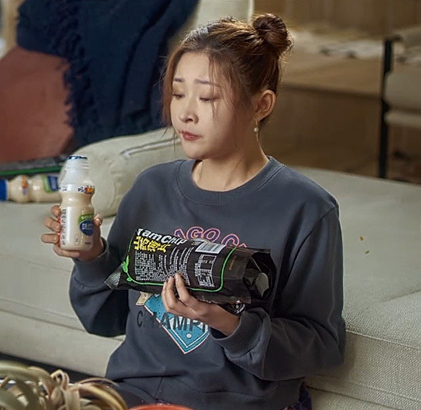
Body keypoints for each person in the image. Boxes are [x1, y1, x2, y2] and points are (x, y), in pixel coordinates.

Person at [41, 13, 345, 410]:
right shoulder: (151, 189)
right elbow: (105, 319)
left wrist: (227, 322)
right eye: (178, 93)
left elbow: (322, 346)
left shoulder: (305, 209)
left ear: (261, 105)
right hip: (130, 395)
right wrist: (92, 257)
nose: (185, 113)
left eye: (207, 98)